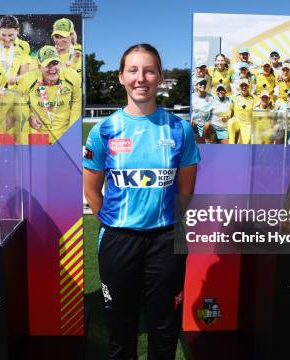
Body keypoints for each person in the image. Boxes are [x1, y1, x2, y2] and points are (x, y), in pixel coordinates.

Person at [83, 43, 200, 360]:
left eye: (149, 70)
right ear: (121, 77)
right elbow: (93, 191)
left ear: (160, 77)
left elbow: (186, 192)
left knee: (165, 328)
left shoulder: (180, 130)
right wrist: (115, 222)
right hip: (119, 239)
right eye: (133, 70)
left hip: (166, 239)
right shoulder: (103, 131)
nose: (141, 78)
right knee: (121, 328)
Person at [18, 45, 82, 144]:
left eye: (55, 63)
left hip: (63, 132)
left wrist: (72, 132)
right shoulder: (27, 80)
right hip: (38, 133)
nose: (52, 68)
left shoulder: (73, 77)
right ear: (39, 67)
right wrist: (29, 116)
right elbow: (19, 103)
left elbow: (77, 103)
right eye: (47, 65)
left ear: (60, 63)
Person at [0, 15, 31, 85]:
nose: (7, 39)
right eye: (3, 35)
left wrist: (13, 79)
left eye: (10, 35)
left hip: (12, 90)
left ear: (17, 31)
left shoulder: (23, 46)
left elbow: (24, 76)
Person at [228, 79, 255, 144]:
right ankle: (231, 145)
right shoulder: (234, 97)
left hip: (247, 124)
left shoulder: (253, 98)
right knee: (231, 122)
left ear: (249, 87)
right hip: (237, 120)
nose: (244, 87)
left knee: (246, 142)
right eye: (242, 85)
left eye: (245, 85)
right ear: (239, 87)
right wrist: (228, 117)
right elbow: (230, 110)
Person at [191, 78, 212, 143]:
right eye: (201, 83)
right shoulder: (192, 97)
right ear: (196, 85)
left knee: (207, 125)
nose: (203, 85)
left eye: (204, 83)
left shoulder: (210, 97)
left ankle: (207, 141)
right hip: (196, 124)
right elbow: (192, 112)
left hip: (207, 124)